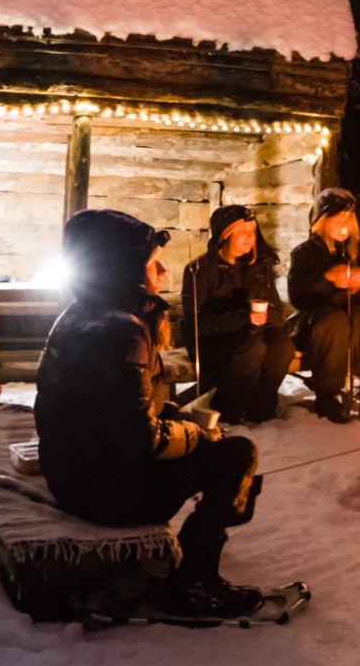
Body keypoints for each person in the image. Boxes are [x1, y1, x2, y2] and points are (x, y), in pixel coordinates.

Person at [35, 208, 265, 617]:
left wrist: (179, 417)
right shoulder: (121, 332)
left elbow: (122, 408)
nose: (161, 269)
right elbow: (142, 439)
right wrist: (197, 435)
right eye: (151, 261)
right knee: (237, 454)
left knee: (216, 444)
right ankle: (195, 579)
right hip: (107, 494)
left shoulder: (80, 315)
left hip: (73, 478)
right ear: (122, 267)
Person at [181, 204, 296, 424]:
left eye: (252, 232)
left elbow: (276, 312)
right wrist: (244, 317)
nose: (249, 238)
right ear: (225, 235)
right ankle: (228, 411)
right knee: (253, 348)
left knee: (283, 345)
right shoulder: (200, 270)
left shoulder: (259, 267)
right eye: (242, 232)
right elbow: (195, 324)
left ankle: (260, 409)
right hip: (212, 341)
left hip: (253, 333)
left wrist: (265, 317)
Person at [287, 188, 360, 423]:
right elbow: (297, 295)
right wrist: (328, 280)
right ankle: (328, 395)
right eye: (338, 218)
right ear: (323, 221)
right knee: (335, 321)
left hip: (358, 317)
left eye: (349, 218)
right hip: (319, 320)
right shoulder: (305, 253)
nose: (345, 223)